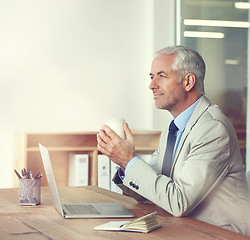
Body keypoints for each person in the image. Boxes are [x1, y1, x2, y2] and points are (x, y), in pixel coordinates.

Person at [97, 45, 250, 236]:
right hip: (185, 229)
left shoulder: (212, 128)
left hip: (220, 234)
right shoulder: (173, 129)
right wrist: (123, 162)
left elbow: (179, 202)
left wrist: (129, 160)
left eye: (161, 76)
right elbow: (148, 192)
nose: (152, 85)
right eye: (151, 77)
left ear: (188, 82)